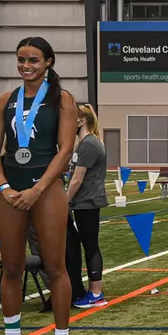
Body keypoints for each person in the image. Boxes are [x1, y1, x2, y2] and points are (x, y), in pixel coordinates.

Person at [0, 36, 77, 335]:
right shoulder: (4, 101)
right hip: (12, 187)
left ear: (48, 62)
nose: (26, 65)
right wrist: (4, 187)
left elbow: (65, 150)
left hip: (47, 187)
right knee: (11, 267)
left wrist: (38, 189)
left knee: (55, 266)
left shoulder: (63, 99)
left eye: (34, 60)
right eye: (21, 59)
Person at [65, 103, 109, 308]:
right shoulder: (83, 144)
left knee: (90, 246)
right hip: (83, 202)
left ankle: (96, 292)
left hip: (87, 202)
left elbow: (77, 179)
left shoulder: (89, 144)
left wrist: (65, 201)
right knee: (87, 245)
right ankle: (91, 290)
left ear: (81, 120)